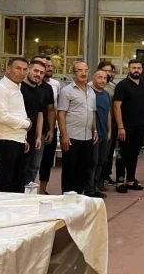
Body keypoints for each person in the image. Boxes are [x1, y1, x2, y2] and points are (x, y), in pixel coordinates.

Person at [0, 57, 32, 193]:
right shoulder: (0, 88)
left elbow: (17, 112)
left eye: (25, 69)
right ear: (8, 69)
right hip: (5, 141)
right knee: (4, 184)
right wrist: (26, 124)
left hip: (18, 140)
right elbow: (3, 117)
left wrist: (24, 138)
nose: (22, 72)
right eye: (18, 68)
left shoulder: (17, 86)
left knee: (18, 182)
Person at [57, 61, 97, 195]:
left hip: (87, 136)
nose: (83, 73)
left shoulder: (91, 91)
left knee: (83, 168)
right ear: (74, 73)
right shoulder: (67, 91)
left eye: (86, 70)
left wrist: (94, 130)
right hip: (71, 136)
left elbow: (92, 112)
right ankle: (67, 196)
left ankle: (79, 195)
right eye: (80, 70)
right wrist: (64, 135)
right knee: (70, 169)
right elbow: (61, 113)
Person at [113, 59, 144, 193]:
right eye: (134, 68)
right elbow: (117, 107)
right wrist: (120, 127)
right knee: (123, 154)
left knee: (134, 154)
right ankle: (119, 182)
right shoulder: (122, 85)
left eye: (139, 68)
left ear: (142, 69)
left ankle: (130, 180)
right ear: (128, 69)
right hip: (125, 126)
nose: (136, 70)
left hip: (140, 125)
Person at [20, 60, 47, 186]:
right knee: (20, 170)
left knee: (32, 168)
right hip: (18, 137)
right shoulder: (19, 88)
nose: (38, 74)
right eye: (36, 71)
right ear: (28, 70)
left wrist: (38, 137)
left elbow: (40, 114)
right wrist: (22, 137)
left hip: (33, 137)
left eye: (42, 73)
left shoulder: (40, 92)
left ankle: (28, 193)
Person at [93, 61, 119, 190]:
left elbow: (110, 111)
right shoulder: (90, 89)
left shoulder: (112, 89)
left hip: (107, 127)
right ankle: (91, 187)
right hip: (94, 131)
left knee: (104, 158)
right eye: (104, 71)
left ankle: (101, 181)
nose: (107, 75)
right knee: (93, 160)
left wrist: (110, 130)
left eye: (110, 71)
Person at [39, 56, 60, 195]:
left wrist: (52, 128)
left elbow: (54, 107)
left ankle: (42, 190)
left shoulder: (55, 85)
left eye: (51, 66)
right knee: (33, 162)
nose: (50, 68)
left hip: (50, 126)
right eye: (47, 65)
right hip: (34, 128)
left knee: (47, 160)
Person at [88, 70, 110, 198]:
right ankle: (89, 189)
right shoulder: (90, 93)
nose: (102, 80)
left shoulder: (106, 94)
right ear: (93, 78)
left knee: (101, 161)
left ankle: (95, 187)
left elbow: (108, 113)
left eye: (105, 78)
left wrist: (109, 131)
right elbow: (91, 113)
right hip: (93, 134)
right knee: (93, 162)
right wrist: (94, 130)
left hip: (104, 133)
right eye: (99, 77)